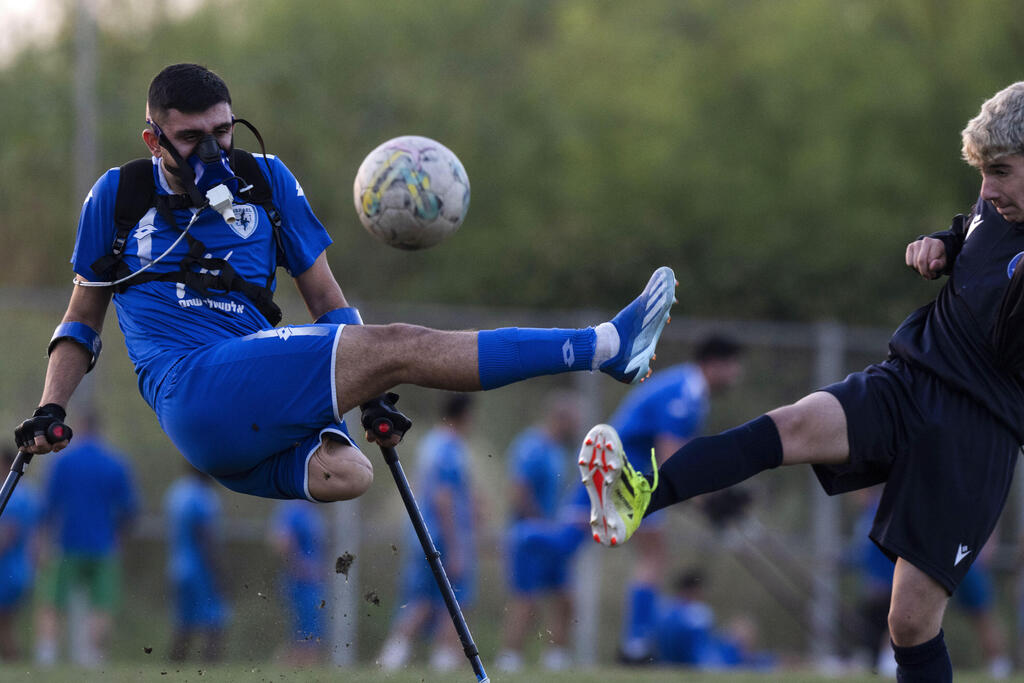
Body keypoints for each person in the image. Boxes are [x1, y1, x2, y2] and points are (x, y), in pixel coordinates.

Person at [12, 62, 675, 509]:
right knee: (399, 342)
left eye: (222, 130)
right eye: (191, 138)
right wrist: (52, 407)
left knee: (348, 473)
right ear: (155, 139)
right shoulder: (119, 195)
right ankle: (606, 344)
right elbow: (81, 318)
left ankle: (358, 390)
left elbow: (327, 301)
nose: (213, 149)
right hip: (188, 384)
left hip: (244, 399)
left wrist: (369, 393)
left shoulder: (266, 180)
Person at [579, 81, 1024, 681]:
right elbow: (970, 238)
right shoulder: (993, 209)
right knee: (787, 425)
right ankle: (634, 499)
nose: (988, 188)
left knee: (910, 623)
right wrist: (939, 246)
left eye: (1001, 170)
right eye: (982, 172)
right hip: (910, 379)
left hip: (975, 433)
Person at [605, 334, 743, 663]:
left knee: (652, 554)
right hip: (627, 471)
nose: (737, 375)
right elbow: (671, 457)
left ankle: (636, 642)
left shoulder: (691, 390)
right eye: (733, 366)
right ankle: (635, 645)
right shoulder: (686, 392)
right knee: (653, 555)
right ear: (713, 364)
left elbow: (685, 455)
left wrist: (714, 493)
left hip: (628, 469)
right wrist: (705, 501)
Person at [378, 393, 478, 672]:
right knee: (455, 600)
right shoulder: (449, 448)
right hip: (442, 537)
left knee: (422, 600)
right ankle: (444, 663)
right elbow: (443, 497)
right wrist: (456, 545)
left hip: (424, 534)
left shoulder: (431, 444)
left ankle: (391, 658)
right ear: (464, 415)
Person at [34, 412, 139, 667]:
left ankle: (47, 655)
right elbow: (129, 509)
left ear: (79, 428)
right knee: (101, 603)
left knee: (53, 601)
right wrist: (119, 538)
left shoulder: (62, 462)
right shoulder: (115, 463)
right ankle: (92, 656)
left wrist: (42, 542)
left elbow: (48, 506)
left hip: (66, 543)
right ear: (100, 429)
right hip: (103, 545)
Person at [496, 391, 586, 672]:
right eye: (573, 421)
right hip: (528, 536)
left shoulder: (561, 452)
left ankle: (556, 658)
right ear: (560, 418)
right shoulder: (531, 445)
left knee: (565, 597)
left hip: (553, 535)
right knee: (526, 599)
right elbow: (518, 490)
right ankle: (509, 658)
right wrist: (540, 521)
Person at [164, 465, 229, 663]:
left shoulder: (176, 492)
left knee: (183, 622)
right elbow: (205, 536)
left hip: (178, 566)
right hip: (200, 568)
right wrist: (220, 570)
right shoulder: (203, 496)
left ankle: (174, 669)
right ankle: (210, 670)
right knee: (215, 621)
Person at [268, 498, 327, 666]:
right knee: (304, 634)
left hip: (314, 582)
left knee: (310, 632)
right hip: (299, 582)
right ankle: (291, 669)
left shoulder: (311, 509)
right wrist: (300, 566)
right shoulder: (291, 508)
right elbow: (281, 540)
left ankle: (297, 669)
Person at [0, 448, 42, 661]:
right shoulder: (29, 493)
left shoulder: (11, 495)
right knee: (7, 626)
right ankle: (13, 663)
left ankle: (13, 662)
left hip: (6, 572)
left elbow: (6, 536)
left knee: (5, 625)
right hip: (21, 569)